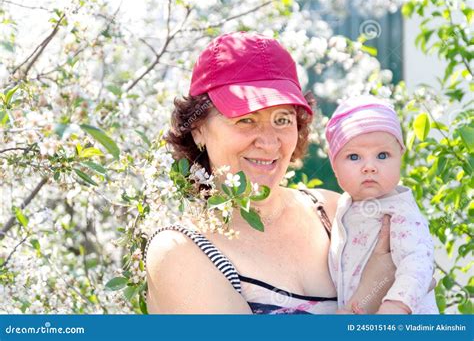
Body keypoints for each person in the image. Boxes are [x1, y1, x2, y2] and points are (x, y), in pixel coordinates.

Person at [145, 31, 396, 314]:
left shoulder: (335, 212)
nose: (268, 141)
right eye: (246, 120)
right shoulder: (179, 252)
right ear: (198, 129)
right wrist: (369, 295)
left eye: (282, 119)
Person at [325, 95, 439, 314]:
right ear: (334, 165)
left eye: (383, 155)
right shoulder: (343, 206)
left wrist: (396, 306)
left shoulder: (400, 210)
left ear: (400, 158)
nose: (370, 167)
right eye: (354, 157)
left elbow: (418, 260)